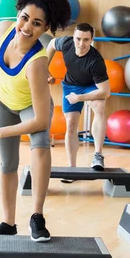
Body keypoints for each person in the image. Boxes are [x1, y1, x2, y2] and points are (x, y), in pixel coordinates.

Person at [0, 0, 71, 242]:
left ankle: (37, 216)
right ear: (18, 13)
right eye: (24, 18)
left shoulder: (38, 62)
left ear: (45, 28)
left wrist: (0, 131)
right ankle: (8, 222)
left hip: (33, 108)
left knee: (41, 146)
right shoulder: (4, 30)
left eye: (36, 23)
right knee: (8, 164)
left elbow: (41, 120)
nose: (26, 27)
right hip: (4, 103)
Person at [46, 23, 110, 180]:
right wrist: (44, 68)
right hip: (70, 85)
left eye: (86, 40)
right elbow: (51, 43)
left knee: (99, 105)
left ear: (92, 39)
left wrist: (80, 98)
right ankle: (72, 168)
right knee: (71, 124)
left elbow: (105, 91)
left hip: (91, 87)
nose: (81, 44)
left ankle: (98, 154)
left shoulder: (96, 61)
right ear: (73, 37)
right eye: (78, 39)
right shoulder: (66, 43)